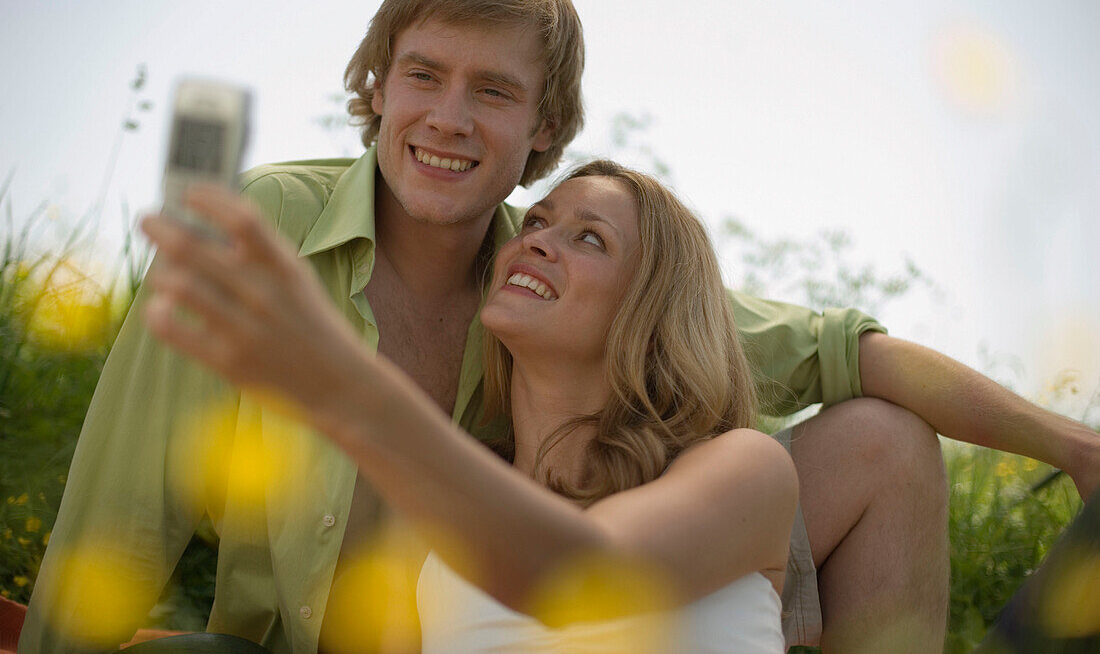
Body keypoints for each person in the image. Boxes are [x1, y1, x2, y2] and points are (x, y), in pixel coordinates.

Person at [20, 0, 1098, 654]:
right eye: (423, 75)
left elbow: (840, 350)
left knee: (879, 434)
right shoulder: (271, 235)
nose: (447, 118)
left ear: (542, 128)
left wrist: (1066, 443)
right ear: (376, 87)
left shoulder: (550, 285)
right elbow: (118, 510)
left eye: (492, 91)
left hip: (559, 584)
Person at [138, 160, 798, 653]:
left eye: (589, 238)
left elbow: (582, 581)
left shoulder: (744, 467)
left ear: (654, 312)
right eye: (537, 220)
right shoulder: (433, 520)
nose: (537, 239)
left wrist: (342, 385)